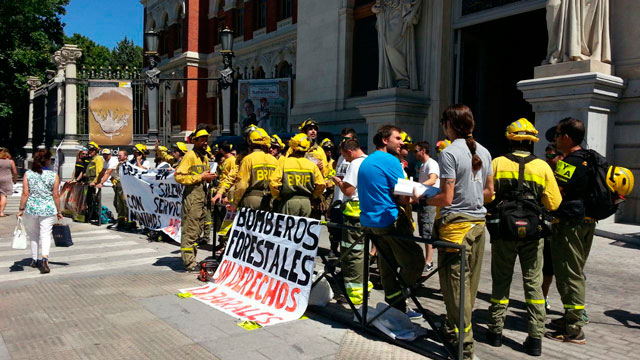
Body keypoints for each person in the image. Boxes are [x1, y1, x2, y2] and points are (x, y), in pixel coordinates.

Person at [413, 104, 493, 360]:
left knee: (454, 289)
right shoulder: (485, 151)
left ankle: (464, 345)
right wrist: (469, 196)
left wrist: (423, 200)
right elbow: (490, 193)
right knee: (469, 287)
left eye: (444, 123)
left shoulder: (448, 153)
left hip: (455, 230)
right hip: (478, 227)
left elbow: (446, 198)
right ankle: (452, 328)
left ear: (450, 125)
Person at [485, 118, 562, 357]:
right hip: (533, 234)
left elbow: (487, 198)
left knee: (501, 280)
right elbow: (554, 202)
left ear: (510, 139)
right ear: (532, 142)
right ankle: (535, 338)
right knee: (533, 282)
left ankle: (495, 332)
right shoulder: (543, 167)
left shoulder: (497, 163)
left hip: (503, 232)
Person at [358, 125, 425, 315]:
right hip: (390, 220)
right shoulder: (391, 161)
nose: (402, 142)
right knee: (415, 261)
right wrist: (417, 195)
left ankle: (395, 307)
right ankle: (401, 295)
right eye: (398, 138)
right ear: (385, 140)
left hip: (370, 222)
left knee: (387, 265)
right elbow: (404, 197)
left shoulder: (368, 160)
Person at [544, 117, 595, 344]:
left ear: (566, 137)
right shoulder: (591, 158)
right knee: (575, 270)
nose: (555, 140)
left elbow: (557, 193)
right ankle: (569, 317)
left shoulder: (570, 162)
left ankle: (574, 328)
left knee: (569, 273)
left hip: (570, 224)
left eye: (556, 135)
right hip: (587, 221)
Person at [175, 127, 216, 271]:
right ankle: (189, 263)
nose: (205, 142)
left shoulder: (203, 157)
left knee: (197, 230)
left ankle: (192, 259)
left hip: (202, 198)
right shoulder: (190, 156)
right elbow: (179, 176)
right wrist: (201, 177)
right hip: (192, 199)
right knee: (191, 230)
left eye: (206, 139)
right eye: (202, 139)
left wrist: (209, 178)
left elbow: (203, 175)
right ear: (195, 141)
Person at [333, 139, 368, 304]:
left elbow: (348, 190)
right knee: (362, 254)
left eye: (344, 155)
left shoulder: (354, 164)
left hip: (353, 216)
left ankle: (354, 296)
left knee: (352, 255)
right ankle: (363, 289)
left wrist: (338, 182)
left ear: (349, 151)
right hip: (366, 215)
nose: (345, 159)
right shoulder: (368, 161)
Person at [17, 149, 63, 274]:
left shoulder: (28, 174)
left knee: (33, 234)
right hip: (48, 209)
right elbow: (56, 195)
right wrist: (59, 211)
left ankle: (34, 259)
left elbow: (25, 193)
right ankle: (44, 259)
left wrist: (21, 209)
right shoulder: (53, 175)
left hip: (32, 208)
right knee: (46, 234)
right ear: (48, 160)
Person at [270, 134, 326, 217]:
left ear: (293, 147)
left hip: (289, 202)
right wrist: (313, 196)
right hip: (306, 204)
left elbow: (273, 182)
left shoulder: (284, 163)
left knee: (288, 229)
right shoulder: (312, 165)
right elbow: (321, 184)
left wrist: (277, 197)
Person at [328, 128, 358, 258]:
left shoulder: (356, 160)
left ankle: (344, 257)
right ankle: (333, 251)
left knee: (346, 235)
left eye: (346, 139)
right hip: (337, 199)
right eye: (342, 139)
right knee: (334, 231)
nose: (343, 141)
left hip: (349, 202)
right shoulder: (340, 157)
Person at [232, 127, 278, 211]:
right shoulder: (274, 160)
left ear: (250, 142)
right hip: (269, 201)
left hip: (251, 200)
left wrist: (235, 203)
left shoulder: (248, 159)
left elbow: (242, 185)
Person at [542, 143, 564, 310]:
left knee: (566, 268)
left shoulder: (564, 173)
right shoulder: (545, 171)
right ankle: (543, 297)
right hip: (548, 224)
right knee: (547, 267)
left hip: (563, 225)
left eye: (551, 156)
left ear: (560, 156)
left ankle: (573, 307)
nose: (548, 159)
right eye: (546, 156)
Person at [414, 141, 439, 273]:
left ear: (423, 150)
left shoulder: (431, 163)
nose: (415, 153)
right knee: (424, 231)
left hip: (430, 203)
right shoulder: (423, 164)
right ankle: (427, 260)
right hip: (423, 203)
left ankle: (428, 261)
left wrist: (417, 187)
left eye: (416, 150)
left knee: (428, 232)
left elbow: (433, 179)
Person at [84, 142, 104, 224]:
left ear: (96, 151)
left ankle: (96, 217)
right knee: (90, 201)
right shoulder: (92, 159)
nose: (90, 151)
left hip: (93, 183)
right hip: (89, 182)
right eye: (89, 150)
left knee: (95, 201)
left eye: (92, 150)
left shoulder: (98, 158)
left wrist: (95, 182)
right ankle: (91, 216)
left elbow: (99, 172)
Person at [110, 150, 131, 229]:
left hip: (125, 187)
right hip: (118, 186)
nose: (118, 157)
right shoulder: (118, 164)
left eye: (120, 155)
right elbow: (115, 175)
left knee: (125, 204)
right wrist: (113, 180)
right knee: (118, 204)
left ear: (125, 156)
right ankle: (121, 221)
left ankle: (129, 222)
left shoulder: (128, 164)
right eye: (118, 155)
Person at [0, 147, 18, 217]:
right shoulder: (11, 161)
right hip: (6, 179)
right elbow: (15, 172)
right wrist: (15, 179)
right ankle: (1, 212)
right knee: (3, 195)